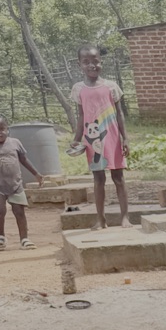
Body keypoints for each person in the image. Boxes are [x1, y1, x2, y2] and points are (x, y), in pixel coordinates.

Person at [67, 45, 130, 228]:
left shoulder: (111, 86)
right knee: (98, 179)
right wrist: (76, 139)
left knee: (118, 177)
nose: (91, 65)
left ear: (100, 62)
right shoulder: (78, 89)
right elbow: (81, 117)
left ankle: (125, 217)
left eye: (95, 61)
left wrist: (125, 138)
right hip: (92, 139)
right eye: (86, 62)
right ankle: (100, 219)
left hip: (112, 137)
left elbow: (119, 114)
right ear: (80, 65)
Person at [0, 112, 43, 249]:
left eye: (2, 129)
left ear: (8, 129)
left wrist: (36, 174)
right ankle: (0, 236)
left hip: (16, 185)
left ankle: (24, 239)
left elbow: (23, 160)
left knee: (19, 212)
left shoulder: (15, 143)